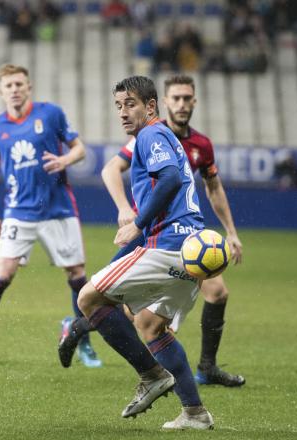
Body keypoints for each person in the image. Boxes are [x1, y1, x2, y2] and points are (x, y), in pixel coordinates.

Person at [59, 76, 214, 430]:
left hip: (166, 245)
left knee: (88, 298)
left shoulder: (150, 134)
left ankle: (151, 374)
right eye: (118, 106)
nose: (123, 112)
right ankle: (195, 413)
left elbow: (172, 177)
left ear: (150, 107)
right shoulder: (163, 137)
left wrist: (137, 223)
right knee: (150, 325)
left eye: (130, 104)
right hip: (192, 254)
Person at [0, 64, 102, 368]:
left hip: (58, 209)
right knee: (3, 273)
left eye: (19, 84)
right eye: (9, 85)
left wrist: (65, 159)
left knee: (77, 276)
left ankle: (82, 341)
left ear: (29, 87)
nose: (15, 89)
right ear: (1, 91)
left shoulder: (50, 114)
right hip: (18, 211)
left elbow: (80, 149)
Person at [100, 75, 246, 388]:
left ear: (194, 102)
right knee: (107, 299)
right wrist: (127, 212)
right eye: (175, 98)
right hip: (149, 228)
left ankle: (203, 369)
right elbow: (111, 168)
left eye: (186, 98)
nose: (181, 104)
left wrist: (231, 231)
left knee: (214, 294)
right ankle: (79, 328)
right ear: (163, 102)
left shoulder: (200, 145)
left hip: (182, 233)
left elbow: (213, 187)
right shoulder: (147, 134)